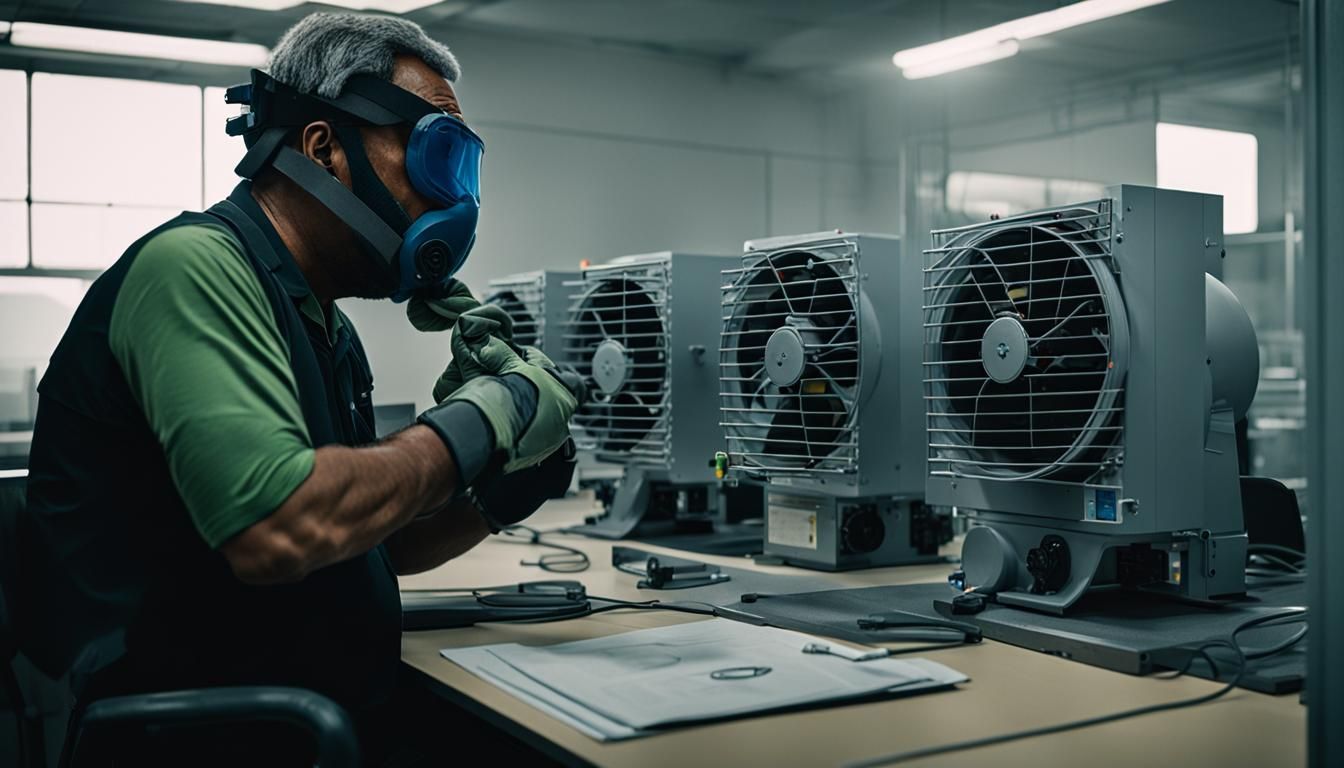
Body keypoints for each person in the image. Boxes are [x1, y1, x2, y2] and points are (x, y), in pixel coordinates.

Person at [15, 11, 577, 763]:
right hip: (208, 737)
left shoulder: (322, 323)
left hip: (306, 711)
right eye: (436, 157)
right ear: (324, 148)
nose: (456, 201)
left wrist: (504, 490)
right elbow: (281, 527)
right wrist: (485, 417)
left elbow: (372, 541)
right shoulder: (194, 271)